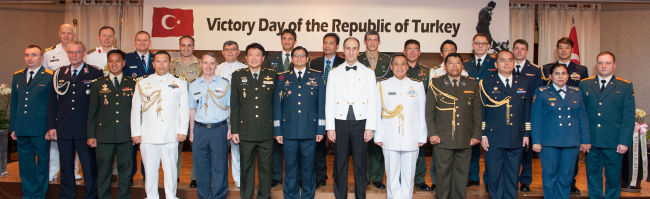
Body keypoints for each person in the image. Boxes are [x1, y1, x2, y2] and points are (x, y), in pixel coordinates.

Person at [47, 41, 104, 199]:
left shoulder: (95, 73)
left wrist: (97, 128)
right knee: (65, 166)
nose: (74, 55)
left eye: (77, 52)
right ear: (67, 53)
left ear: (84, 52)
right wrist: (51, 126)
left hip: (85, 128)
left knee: (89, 166)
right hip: (64, 127)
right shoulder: (59, 73)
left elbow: (99, 103)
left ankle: (91, 195)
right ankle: (67, 194)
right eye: (71, 52)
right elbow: (53, 102)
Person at [130, 51, 189, 199]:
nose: (161, 64)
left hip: (171, 134)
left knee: (171, 170)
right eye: (158, 61)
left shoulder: (180, 83)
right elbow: (135, 109)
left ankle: (171, 196)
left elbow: (184, 109)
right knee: (150, 170)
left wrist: (183, 130)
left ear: (170, 64)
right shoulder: (142, 82)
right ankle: (151, 196)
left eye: (164, 62)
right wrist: (135, 132)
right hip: (148, 135)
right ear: (153, 64)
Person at [325, 37, 377, 199]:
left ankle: (360, 196)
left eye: (354, 48)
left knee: (360, 163)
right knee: (340, 162)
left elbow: (373, 102)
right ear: (343, 50)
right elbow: (330, 101)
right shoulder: (334, 73)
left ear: (359, 50)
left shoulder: (369, 73)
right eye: (348, 48)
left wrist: (370, 127)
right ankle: (340, 196)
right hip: (339, 122)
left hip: (361, 123)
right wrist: (330, 127)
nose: (351, 51)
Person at [426, 53, 482, 199]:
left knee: (462, 175)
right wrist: (432, 133)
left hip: (465, 137)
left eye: (458, 63)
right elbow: (429, 111)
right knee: (443, 176)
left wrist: (477, 134)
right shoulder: (436, 83)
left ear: (462, 66)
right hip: (442, 137)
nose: (454, 66)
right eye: (451, 63)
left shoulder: (472, 84)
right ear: (445, 66)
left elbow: (477, 111)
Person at [580, 52, 635, 199]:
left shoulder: (625, 86)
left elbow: (629, 117)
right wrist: (583, 138)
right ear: (596, 65)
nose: (604, 66)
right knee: (593, 177)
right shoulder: (585, 84)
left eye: (608, 63)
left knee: (612, 178)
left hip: (614, 142)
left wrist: (624, 141)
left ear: (614, 65)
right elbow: (581, 114)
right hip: (591, 141)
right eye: (600, 63)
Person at [531, 63, 591, 199]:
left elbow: (582, 117)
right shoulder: (541, 92)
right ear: (550, 76)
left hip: (571, 141)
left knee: (566, 176)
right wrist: (536, 141)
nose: (560, 76)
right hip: (549, 142)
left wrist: (586, 140)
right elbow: (536, 118)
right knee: (550, 176)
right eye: (557, 73)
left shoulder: (576, 92)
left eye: (563, 73)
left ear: (568, 76)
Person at [273, 46, 325, 199]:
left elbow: (321, 104)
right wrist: (278, 131)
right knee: (290, 167)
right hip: (288, 131)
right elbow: (278, 106)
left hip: (310, 130)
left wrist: (320, 129)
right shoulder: (282, 77)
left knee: (309, 167)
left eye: (303, 56)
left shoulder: (316, 77)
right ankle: (291, 195)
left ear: (308, 59)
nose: (300, 58)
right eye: (296, 56)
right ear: (292, 59)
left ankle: (308, 195)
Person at [479, 50, 531, 197]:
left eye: (510, 60)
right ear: (496, 64)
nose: (506, 63)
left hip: (516, 136)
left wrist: (526, 134)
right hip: (493, 137)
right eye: (502, 60)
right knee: (494, 176)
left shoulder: (523, 83)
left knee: (513, 175)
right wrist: (482, 134)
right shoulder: (487, 83)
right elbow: (482, 110)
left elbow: (527, 110)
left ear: (514, 63)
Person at [375, 54, 427, 199]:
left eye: (403, 64)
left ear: (407, 67)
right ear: (391, 67)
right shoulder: (382, 85)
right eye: (396, 64)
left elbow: (421, 112)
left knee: (408, 175)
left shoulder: (417, 85)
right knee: (391, 176)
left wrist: (422, 135)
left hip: (411, 136)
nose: (399, 67)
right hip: (389, 136)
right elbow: (377, 112)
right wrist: (378, 135)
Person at [541, 37, 588, 194]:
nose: (563, 50)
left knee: (567, 173)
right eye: (560, 47)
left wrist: (585, 138)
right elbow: (539, 112)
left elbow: (582, 111)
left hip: (570, 131)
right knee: (550, 173)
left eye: (567, 48)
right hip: (552, 130)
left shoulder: (580, 71)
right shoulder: (546, 68)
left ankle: (571, 185)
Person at [231, 43, 278, 199]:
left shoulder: (272, 75)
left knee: (266, 168)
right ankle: (246, 195)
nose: (254, 58)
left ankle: (264, 196)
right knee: (246, 167)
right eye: (250, 55)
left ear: (263, 58)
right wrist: (234, 130)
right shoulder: (237, 75)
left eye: (257, 55)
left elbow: (276, 104)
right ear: (245, 57)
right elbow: (235, 104)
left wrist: (276, 129)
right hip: (245, 130)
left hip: (266, 130)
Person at [87, 49, 135, 199]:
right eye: (111, 61)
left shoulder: (133, 84)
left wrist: (136, 133)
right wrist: (90, 135)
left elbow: (137, 112)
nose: (114, 64)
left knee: (126, 172)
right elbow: (92, 113)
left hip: (126, 135)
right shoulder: (98, 85)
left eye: (117, 61)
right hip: (103, 136)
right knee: (103, 173)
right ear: (107, 64)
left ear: (124, 63)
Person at [9, 45, 53, 199]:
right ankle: (28, 193)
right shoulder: (17, 75)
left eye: (34, 55)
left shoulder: (49, 76)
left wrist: (50, 127)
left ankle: (40, 194)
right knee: (25, 164)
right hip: (21, 127)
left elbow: (52, 104)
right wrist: (13, 127)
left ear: (41, 57)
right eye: (27, 55)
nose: (30, 58)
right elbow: (14, 102)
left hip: (41, 128)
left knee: (42, 163)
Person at [42, 23, 82, 181]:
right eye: (64, 33)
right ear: (59, 34)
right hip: (56, 102)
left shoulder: (78, 52)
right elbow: (45, 77)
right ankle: (52, 170)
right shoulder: (49, 54)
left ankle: (75, 170)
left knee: (76, 138)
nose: (66, 36)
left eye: (69, 33)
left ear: (74, 35)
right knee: (54, 139)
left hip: (73, 103)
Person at [188, 52, 231, 199]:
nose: (208, 66)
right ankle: (204, 196)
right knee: (201, 167)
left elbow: (230, 107)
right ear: (201, 64)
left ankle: (219, 196)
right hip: (199, 129)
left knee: (220, 167)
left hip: (219, 129)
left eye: (212, 63)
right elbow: (192, 109)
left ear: (216, 66)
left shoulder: (225, 84)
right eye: (205, 63)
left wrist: (230, 128)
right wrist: (191, 131)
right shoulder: (193, 85)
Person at [308, 33, 344, 188]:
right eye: (325, 43)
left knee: (340, 144)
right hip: (318, 109)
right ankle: (320, 175)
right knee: (319, 143)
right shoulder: (314, 63)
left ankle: (338, 175)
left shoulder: (343, 63)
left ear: (337, 46)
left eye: (331, 43)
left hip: (339, 109)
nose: (327, 45)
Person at [463, 33, 496, 187]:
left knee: (490, 147)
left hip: (490, 109)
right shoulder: (465, 64)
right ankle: (473, 176)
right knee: (472, 144)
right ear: (472, 45)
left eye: (483, 43)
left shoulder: (495, 63)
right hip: (469, 109)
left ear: (488, 46)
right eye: (477, 43)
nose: (480, 46)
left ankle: (490, 179)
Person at [265, 29, 298, 187]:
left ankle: (294, 175)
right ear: (281, 41)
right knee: (276, 141)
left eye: (290, 38)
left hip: (293, 105)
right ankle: (276, 175)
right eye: (284, 38)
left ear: (294, 41)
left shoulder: (300, 57)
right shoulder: (271, 58)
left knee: (293, 142)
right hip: (275, 104)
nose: (286, 41)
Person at [511, 39, 543, 192]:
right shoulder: (507, 66)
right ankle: (511, 178)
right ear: (512, 50)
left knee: (526, 151)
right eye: (516, 48)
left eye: (522, 49)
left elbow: (538, 95)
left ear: (527, 52)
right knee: (512, 149)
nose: (519, 51)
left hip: (528, 114)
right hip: (510, 115)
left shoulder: (535, 70)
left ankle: (525, 180)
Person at [123, 31, 155, 183]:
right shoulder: (126, 58)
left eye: (145, 40)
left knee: (148, 144)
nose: (142, 43)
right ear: (135, 42)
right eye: (139, 40)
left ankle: (147, 174)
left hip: (152, 107)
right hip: (131, 106)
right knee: (131, 145)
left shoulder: (157, 59)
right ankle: (129, 175)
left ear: (150, 42)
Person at [358, 30, 388, 190]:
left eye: (375, 40)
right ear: (364, 42)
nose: (372, 43)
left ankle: (376, 178)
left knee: (378, 144)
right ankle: (363, 177)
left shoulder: (387, 61)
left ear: (379, 42)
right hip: (361, 107)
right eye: (369, 40)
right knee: (362, 145)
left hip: (382, 108)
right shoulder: (357, 59)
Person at [216, 40, 248, 188]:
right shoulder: (216, 69)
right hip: (220, 116)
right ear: (222, 52)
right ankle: (220, 181)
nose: (230, 52)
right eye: (227, 49)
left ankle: (238, 179)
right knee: (220, 152)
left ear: (238, 52)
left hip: (238, 116)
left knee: (237, 150)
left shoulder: (245, 69)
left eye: (233, 49)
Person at [401, 39, 431, 191]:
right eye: (409, 49)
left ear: (419, 52)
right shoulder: (398, 68)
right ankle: (402, 179)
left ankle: (419, 179)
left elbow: (429, 96)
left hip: (418, 116)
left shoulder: (426, 71)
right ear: (404, 52)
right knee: (400, 148)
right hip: (400, 116)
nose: (412, 52)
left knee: (419, 149)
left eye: (415, 49)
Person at [170, 35, 200, 187]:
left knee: (197, 146)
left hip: (195, 111)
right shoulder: (171, 65)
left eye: (189, 45)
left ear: (193, 46)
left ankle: (195, 177)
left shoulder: (200, 65)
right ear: (179, 46)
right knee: (175, 146)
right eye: (183, 45)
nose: (186, 48)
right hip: (175, 112)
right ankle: (174, 175)